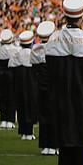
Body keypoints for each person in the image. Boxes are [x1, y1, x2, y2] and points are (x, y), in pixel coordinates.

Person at [45, 0, 83, 165]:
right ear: (82, 15)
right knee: (82, 149)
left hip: (59, 100)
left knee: (64, 148)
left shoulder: (53, 40)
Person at [31, 20, 57, 156]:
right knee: (53, 114)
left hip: (40, 85)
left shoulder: (35, 49)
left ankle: (45, 145)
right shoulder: (55, 47)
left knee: (43, 115)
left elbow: (34, 68)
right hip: (53, 85)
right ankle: (52, 145)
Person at [9, 30, 39, 140]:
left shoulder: (16, 55)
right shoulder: (34, 54)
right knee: (30, 107)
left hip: (19, 85)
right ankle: (29, 132)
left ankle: (23, 131)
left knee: (21, 106)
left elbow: (11, 69)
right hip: (32, 85)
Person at [0, 29, 20, 129]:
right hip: (11, 74)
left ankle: (3, 119)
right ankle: (10, 120)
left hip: (0, 75)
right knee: (11, 98)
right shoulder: (15, 49)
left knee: (2, 97)